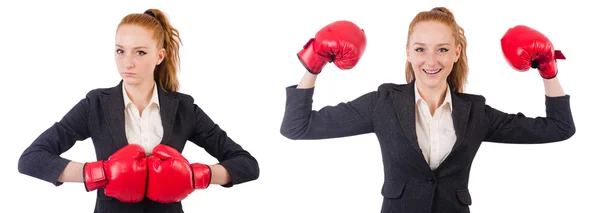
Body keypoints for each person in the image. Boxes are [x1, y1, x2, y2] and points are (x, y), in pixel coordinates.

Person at [280, 7, 575, 213]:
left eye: (443, 49)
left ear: (456, 53)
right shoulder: (383, 103)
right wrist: (313, 65)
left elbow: (560, 128)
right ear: (408, 51)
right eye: (420, 49)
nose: (431, 60)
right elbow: (296, 127)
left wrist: (548, 70)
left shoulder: (477, 112)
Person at [18, 9, 259, 213]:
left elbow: (247, 164)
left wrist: (196, 176)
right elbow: (31, 159)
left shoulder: (184, 108)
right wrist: (98, 173)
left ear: (159, 56)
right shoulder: (96, 105)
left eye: (140, 52)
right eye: (120, 51)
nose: (127, 62)